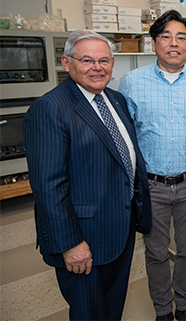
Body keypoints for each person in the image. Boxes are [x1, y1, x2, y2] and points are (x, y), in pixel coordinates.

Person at [23, 30, 152, 320]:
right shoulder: (50, 108)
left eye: (104, 60)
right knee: (88, 313)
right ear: (67, 63)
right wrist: (70, 243)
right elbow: (48, 186)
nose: (97, 67)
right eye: (87, 60)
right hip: (83, 238)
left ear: (113, 63)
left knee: (111, 308)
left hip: (119, 229)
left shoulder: (116, 100)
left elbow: (127, 158)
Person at [119, 10, 186, 321]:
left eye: (182, 37)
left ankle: (184, 306)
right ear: (154, 42)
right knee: (156, 252)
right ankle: (163, 311)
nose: (174, 43)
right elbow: (124, 136)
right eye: (166, 37)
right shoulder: (132, 82)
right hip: (151, 185)